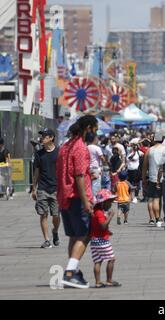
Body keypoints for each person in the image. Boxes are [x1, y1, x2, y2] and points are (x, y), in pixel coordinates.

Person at [57, 115, 98, 289]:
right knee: (85, 234)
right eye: (95, 130)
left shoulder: (65, 146)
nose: (95, 133)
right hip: (77, 197)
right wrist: (86, 201)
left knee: (74, 236)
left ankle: (73, 270)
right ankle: (69, 273)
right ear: (88, 128)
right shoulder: (80, 147)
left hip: (64, 197)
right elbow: (79, 176)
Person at [32, 129, 60, 248]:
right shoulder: (39, 154)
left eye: (44, 136)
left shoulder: (59, 152)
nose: (41, 138)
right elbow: (36, 172)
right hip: (42, 188)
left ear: (51, 138)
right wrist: (34, 188)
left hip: (56, 188)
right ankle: (47, 240)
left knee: (56, 216)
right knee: (43, 214)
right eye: (41, 136)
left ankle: (55, 231)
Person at [90, 189, 121, 288]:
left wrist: (108, 231)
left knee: (97, 261)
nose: (111, 205)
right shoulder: (99, 212)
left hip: (94, 240)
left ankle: (98, 282)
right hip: (101, 241)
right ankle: (109, 280)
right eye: (109, 202)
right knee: (111, 259)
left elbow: (98, 226)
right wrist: (110, 216)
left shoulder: (95, 211)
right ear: (103, 202)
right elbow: (103, 226)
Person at [142, 135, 165, 227]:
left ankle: (157, 219)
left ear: (154, 140)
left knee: (155, 199)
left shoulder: (149, 150)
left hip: (153, 178)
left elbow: (144, 166)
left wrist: (143, 179)